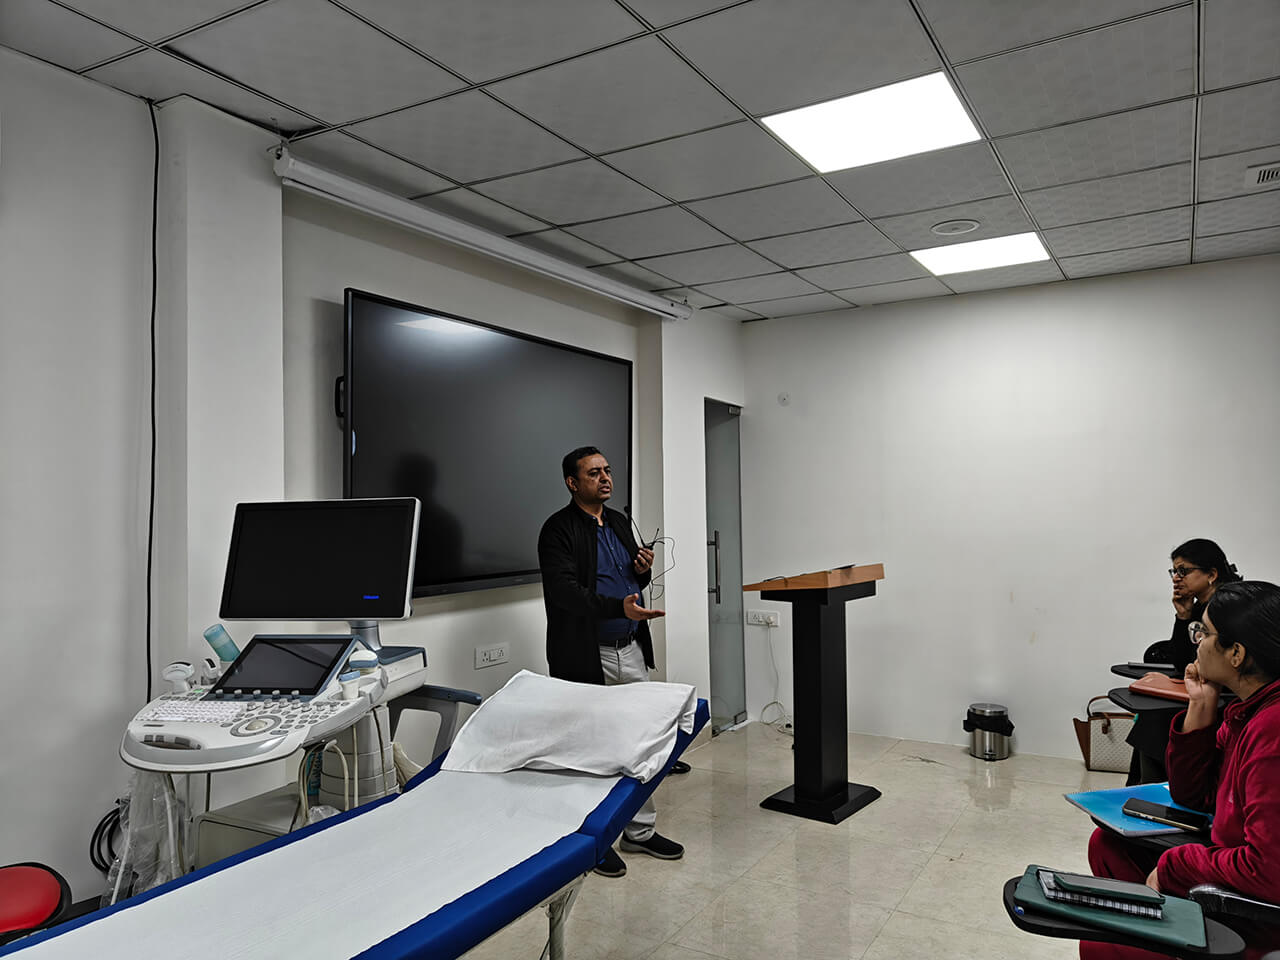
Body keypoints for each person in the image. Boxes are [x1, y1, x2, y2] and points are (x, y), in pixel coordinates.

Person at [1082, 581, 1280, 960]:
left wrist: (1177, 866)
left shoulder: (1272, 729)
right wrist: (1200, 709)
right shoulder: (1245, 713)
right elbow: (1194, 796)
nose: (1196, 643)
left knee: (1099, 946)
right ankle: (1148, 930)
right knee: (1107, 846)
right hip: (1226, 867)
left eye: (1203, 633)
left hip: (1253, 917)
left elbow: (1267, 870)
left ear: (1236, 653)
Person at [537, 445, 685, 878]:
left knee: (641, 743)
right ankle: (594, 842)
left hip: (630, 648)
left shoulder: (619, 521)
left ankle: (639, 832)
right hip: (586, 654)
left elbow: (630, 580)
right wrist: (617, 607)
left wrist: (643, 569)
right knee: (594, 749)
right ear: (572, 482)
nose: (605, 478)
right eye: (594, 473)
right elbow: (565, 593)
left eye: (607, 470)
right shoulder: (557, 530)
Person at [1127, 539, 1241, 784]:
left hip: (1228, 698)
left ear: (1211, 574)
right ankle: (1148, 789)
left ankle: (1156, 789)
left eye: (1183, 571)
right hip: (1205, 691)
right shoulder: (1199, 607)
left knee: (1157, 718)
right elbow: (1181, 662)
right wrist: (1183, 615)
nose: (1176, 578)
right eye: (1174, 571)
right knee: (1152, 714)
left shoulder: (1230, 606)